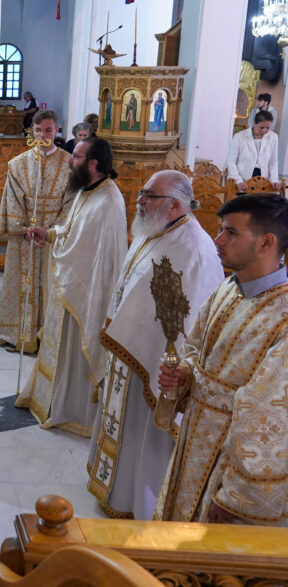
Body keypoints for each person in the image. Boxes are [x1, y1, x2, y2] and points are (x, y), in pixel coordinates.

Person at [87, 171, 224, 520]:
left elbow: (187, 322)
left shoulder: (193, 249)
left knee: (144, 435)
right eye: (142, 193)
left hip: (154, 365)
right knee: (123, 423)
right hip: (128, 350)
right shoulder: (154, 228)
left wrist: (170, 366)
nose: (140, 201)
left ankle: (136, 500)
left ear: (176, 204)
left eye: (149, 195)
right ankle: (112, 487)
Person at [155, 194, 288, 525]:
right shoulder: (230, 287)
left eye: (231, 232)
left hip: (229, 467)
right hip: (195, 440)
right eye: (220, 229)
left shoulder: (284, 317)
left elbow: (269, 419)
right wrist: (184, 372)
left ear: (266, 243)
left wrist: (235, 496)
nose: (218, 240)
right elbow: (197, 344)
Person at [18, 137, 127, 435]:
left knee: (74, 353)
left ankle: (71, 411)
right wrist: (51, 234)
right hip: (73, 286)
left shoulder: (108, 203)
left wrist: (58, 249)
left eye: (76, 157)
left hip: (86, 295)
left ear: (94, 163)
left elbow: (87, 256)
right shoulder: (87, 191)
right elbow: (73, 231)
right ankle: (50, 401)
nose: (69, 161)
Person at [0, 110, 73, 352]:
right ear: (32, 132)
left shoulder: (70, 164)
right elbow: (12, 200)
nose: (43, 135)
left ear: (57, 130)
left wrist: (50, 232)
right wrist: (26, 229)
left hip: (54, 239)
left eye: (48, 130)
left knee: (51, 286)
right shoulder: (18, 164)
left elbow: (71, 203)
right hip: (23, 239)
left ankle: (48, 337)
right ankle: (18, 332)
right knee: (20, 285)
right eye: (38, 131)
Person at [226, 110, 282, 191]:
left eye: (268, 128)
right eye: (261, 127)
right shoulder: (239, 137)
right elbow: (231, 162)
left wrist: (274, 180)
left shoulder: (273, 137)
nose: (264, 131)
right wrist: (238, 181)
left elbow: (273, 162)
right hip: (242, 178)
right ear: (254, 123)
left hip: (263, 180)